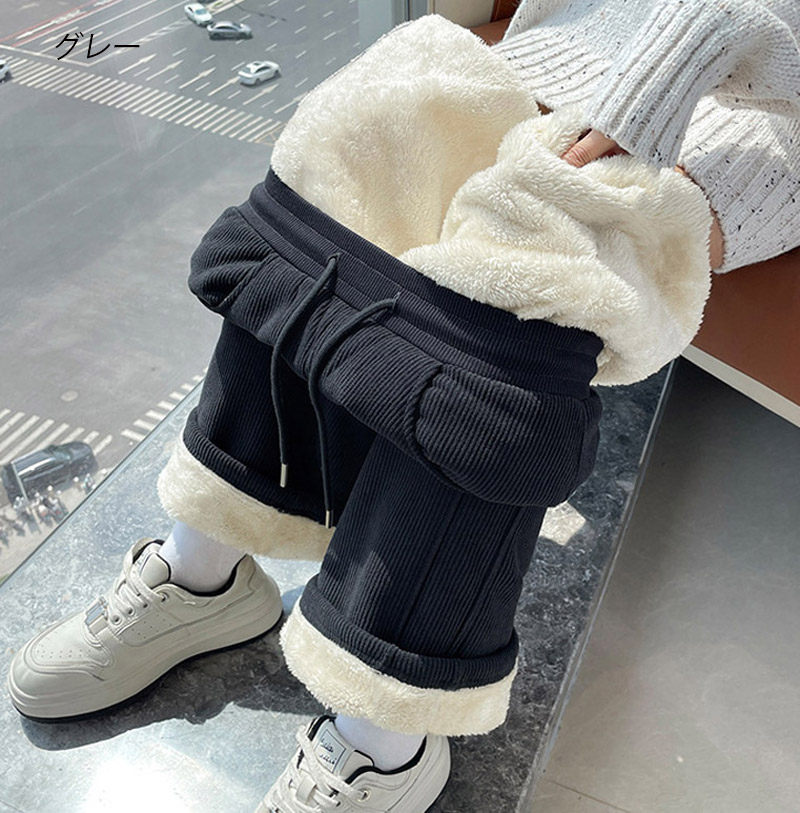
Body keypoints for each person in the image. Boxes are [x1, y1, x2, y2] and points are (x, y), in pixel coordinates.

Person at [8, 2, 798, 811]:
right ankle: (200, 572)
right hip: (580, 50)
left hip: (741, 117)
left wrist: (672, 66)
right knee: (357, 129)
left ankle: (384, 738)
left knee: (529, 276)